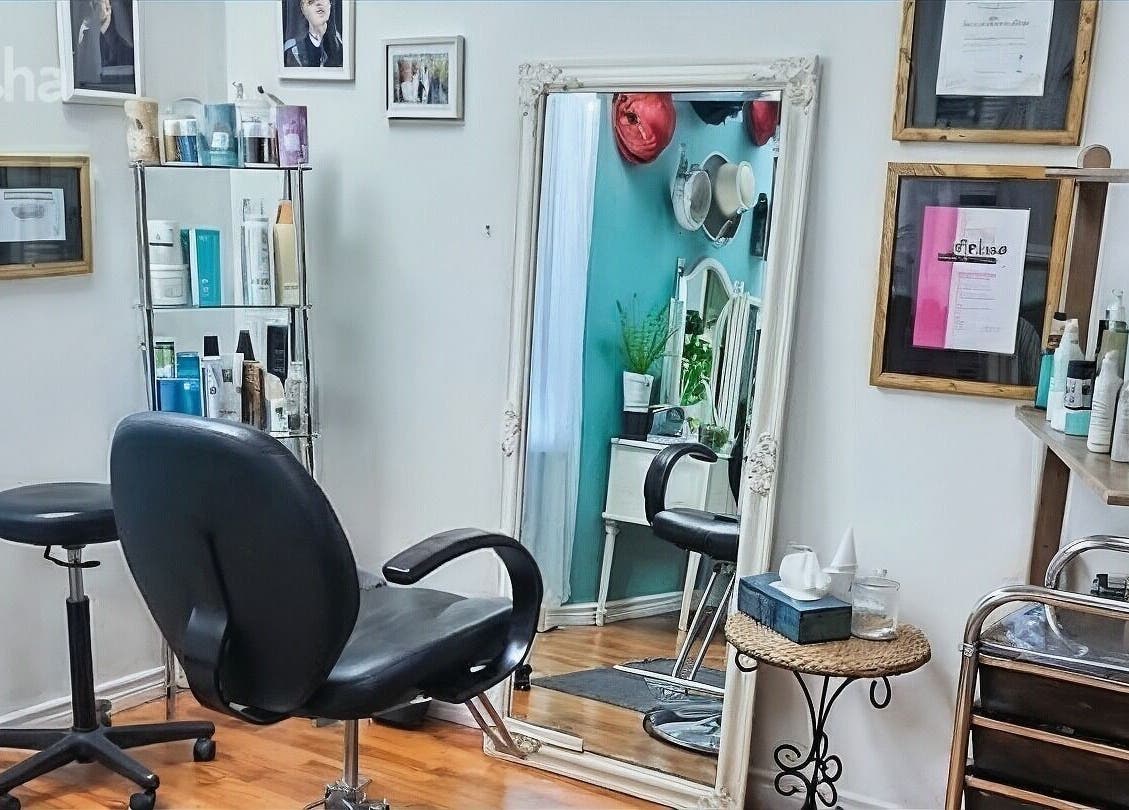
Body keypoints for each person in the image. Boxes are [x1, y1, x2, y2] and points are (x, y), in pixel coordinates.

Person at [74, 0, 135, 90]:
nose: (89, 5)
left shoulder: (125, 53)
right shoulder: (77, 39)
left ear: (108, 8)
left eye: (95, 3)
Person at [283, 0, 343, 69]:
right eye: (311, 1)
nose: (319, 3)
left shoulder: (343, 45)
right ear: (303, 9)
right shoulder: (293, 51)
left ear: (330, 4)